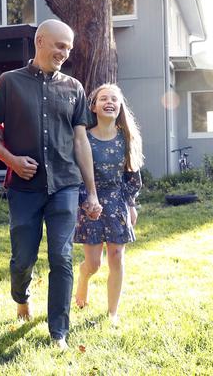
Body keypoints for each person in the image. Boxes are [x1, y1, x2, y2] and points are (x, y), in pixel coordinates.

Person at [0, 19, 102, 350]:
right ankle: (21, 297)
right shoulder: (10, 82)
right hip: (24, 188)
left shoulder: (74, 87)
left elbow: (81, 142)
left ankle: (58, 331)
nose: (64, 53)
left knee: (61, 257)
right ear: (41, 41)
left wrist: (90, 191)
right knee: (22, 259)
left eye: (69, 49)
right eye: (60, 46)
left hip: (64, 186)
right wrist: (12, 161)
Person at [73, 83, 143, 326]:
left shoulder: (127, 138)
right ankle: (83, 279)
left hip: (117, 203)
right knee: (93, 263)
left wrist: (131, 204)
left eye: (114, 98)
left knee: (116, 256)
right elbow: (76, 173)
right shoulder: (83, 137)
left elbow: (132, 175)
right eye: (103, 98)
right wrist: (85, 202)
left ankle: (113, 312)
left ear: (120, 105)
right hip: (89, 204)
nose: (109, 102)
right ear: (93, 106)